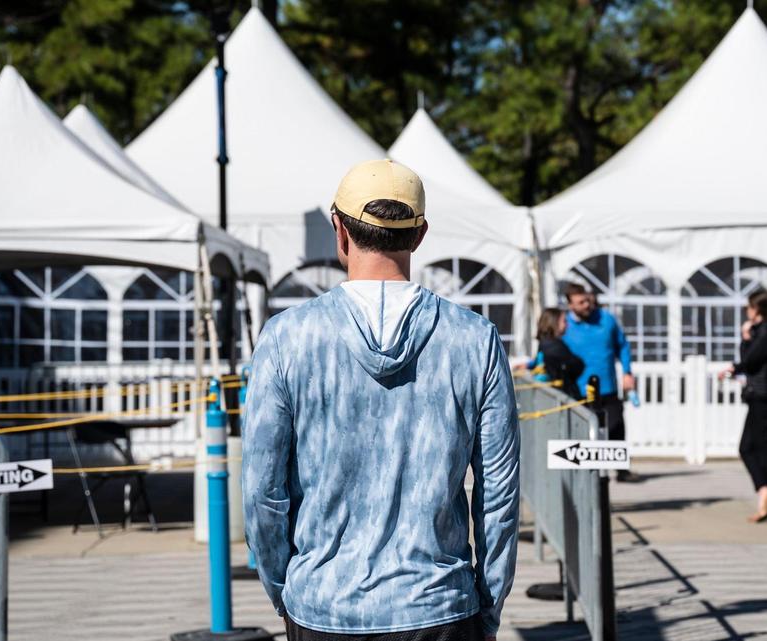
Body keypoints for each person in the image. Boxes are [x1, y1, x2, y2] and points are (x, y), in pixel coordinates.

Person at [242, 159, 520, 641]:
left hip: (322, 605)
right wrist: (487, 606)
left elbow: (263, 492)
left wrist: (288, 592)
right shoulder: (474, 339)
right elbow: (498, 495)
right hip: (440, 604)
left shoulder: (287, 336)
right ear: (419, 235)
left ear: (339, 230)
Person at [719, 288, 767, 523]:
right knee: (758, 446)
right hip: (764, 395)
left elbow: (750, 361)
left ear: (757, 309)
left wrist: (744, 339)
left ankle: (766, 492)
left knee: (749, 447)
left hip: (763, 395)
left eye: (749, 307)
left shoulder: (765, 333)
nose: (746, 312)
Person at [560, 283, 637, 481]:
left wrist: (627, 372)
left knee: (616, 425)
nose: (587, 305)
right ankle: (590, 475)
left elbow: (623, 346)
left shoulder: (606, 319)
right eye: (581, 302)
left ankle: (621, 470)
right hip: (578, 390)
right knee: (584, 431)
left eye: (589, 300)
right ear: (570, 305)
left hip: (607, 386)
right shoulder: (564, 325)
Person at [529, 307, 585, 400]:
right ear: (554, 323)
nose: (567, 325)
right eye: (564, 321)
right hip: (560, 396)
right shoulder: (554, 346)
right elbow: (577, 366)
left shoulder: (544, 344)